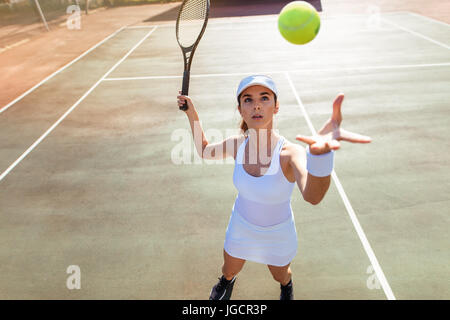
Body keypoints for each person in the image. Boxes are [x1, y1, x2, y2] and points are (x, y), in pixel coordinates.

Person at [176, 75, 371, 300]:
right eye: (248, 99)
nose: (256, 104)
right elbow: (204, 150)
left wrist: (321, 158)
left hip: (278, 233)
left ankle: (286, 285)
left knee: (280, 275)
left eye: (264, 98)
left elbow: (313, 196)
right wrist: (191, 111)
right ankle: (227, 281)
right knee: (228, 269)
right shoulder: (237, 144)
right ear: (240, 109)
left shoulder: (290, 153)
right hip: (241, 226)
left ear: (276, 107)